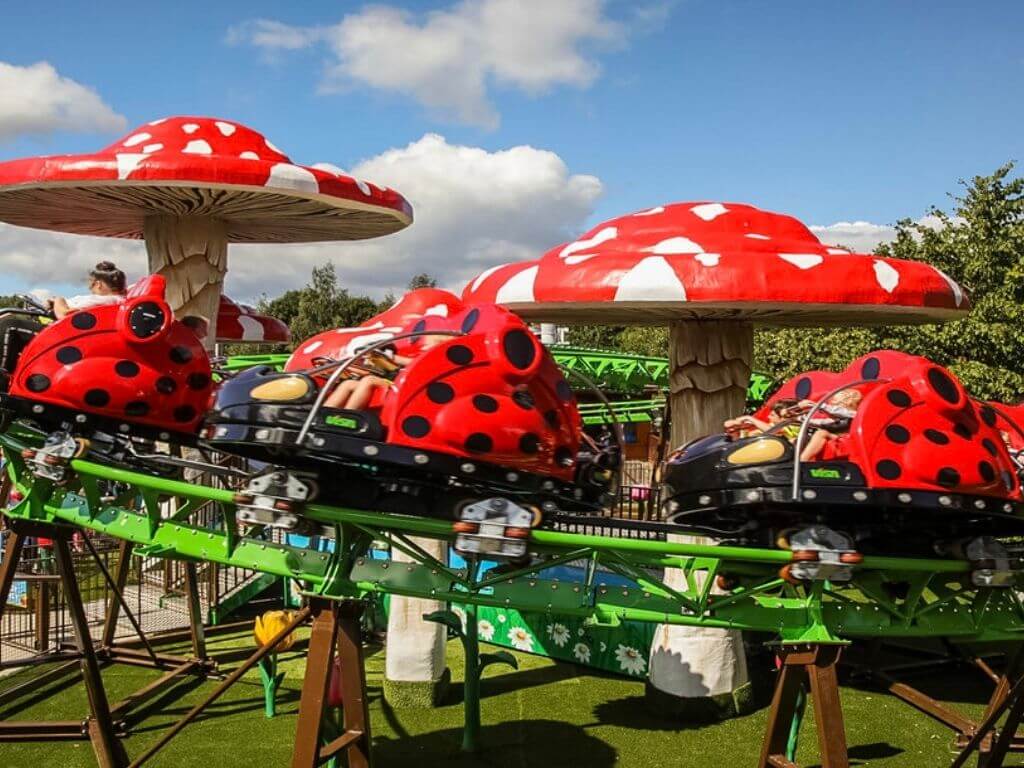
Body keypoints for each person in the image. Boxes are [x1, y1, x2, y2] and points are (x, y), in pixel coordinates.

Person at [796, 389, 862, 462]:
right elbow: (820, 422)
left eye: (834, 404)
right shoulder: (834, 420)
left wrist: (815, 405)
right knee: (802, 437)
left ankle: (803, 460)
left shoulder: (853, 414)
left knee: (821, 433)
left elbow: (836, 411)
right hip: (836, 438)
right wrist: (798, 419)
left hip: (846, 440)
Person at [49, 261, 127, 319]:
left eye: (91, 286)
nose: (90, 290)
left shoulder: (100, 301)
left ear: (98, 284)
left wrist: (58, 300)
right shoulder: (120, 300)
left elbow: (65, 315)